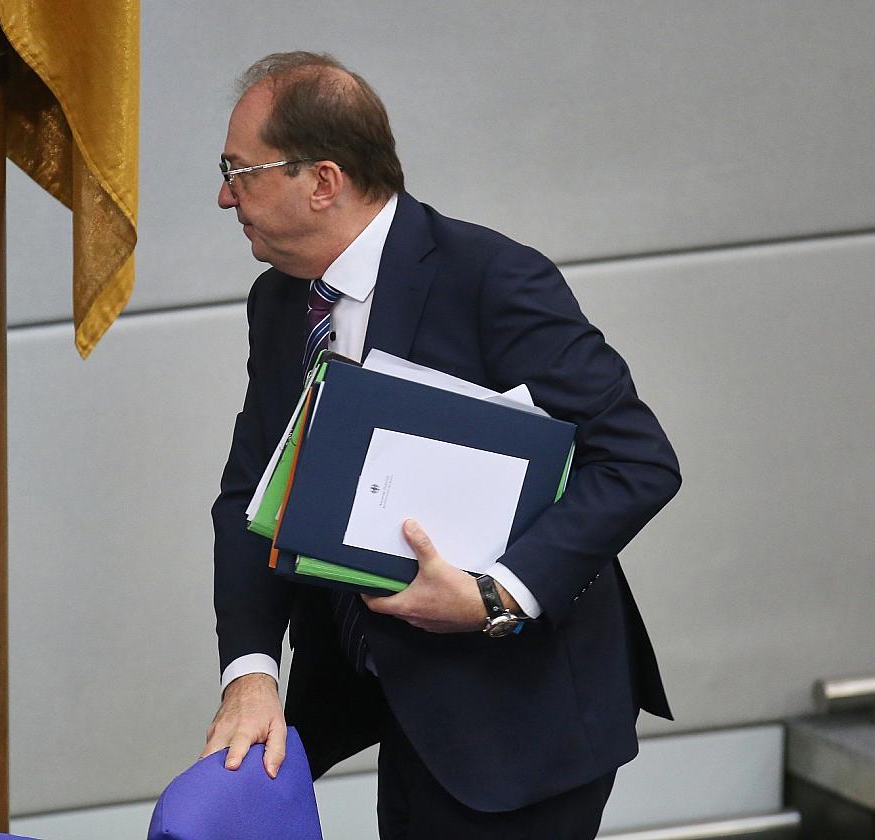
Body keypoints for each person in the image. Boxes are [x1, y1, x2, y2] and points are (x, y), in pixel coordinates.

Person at [203, 51, 681, 839]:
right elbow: (250, 493)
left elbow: (636, 460)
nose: (226, 196)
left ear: (322, 181)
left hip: (519, 722)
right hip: (392, 701)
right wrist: (251, 671)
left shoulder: (492, 279)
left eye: (239, 172)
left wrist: (498, 593)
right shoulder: (281, 301)